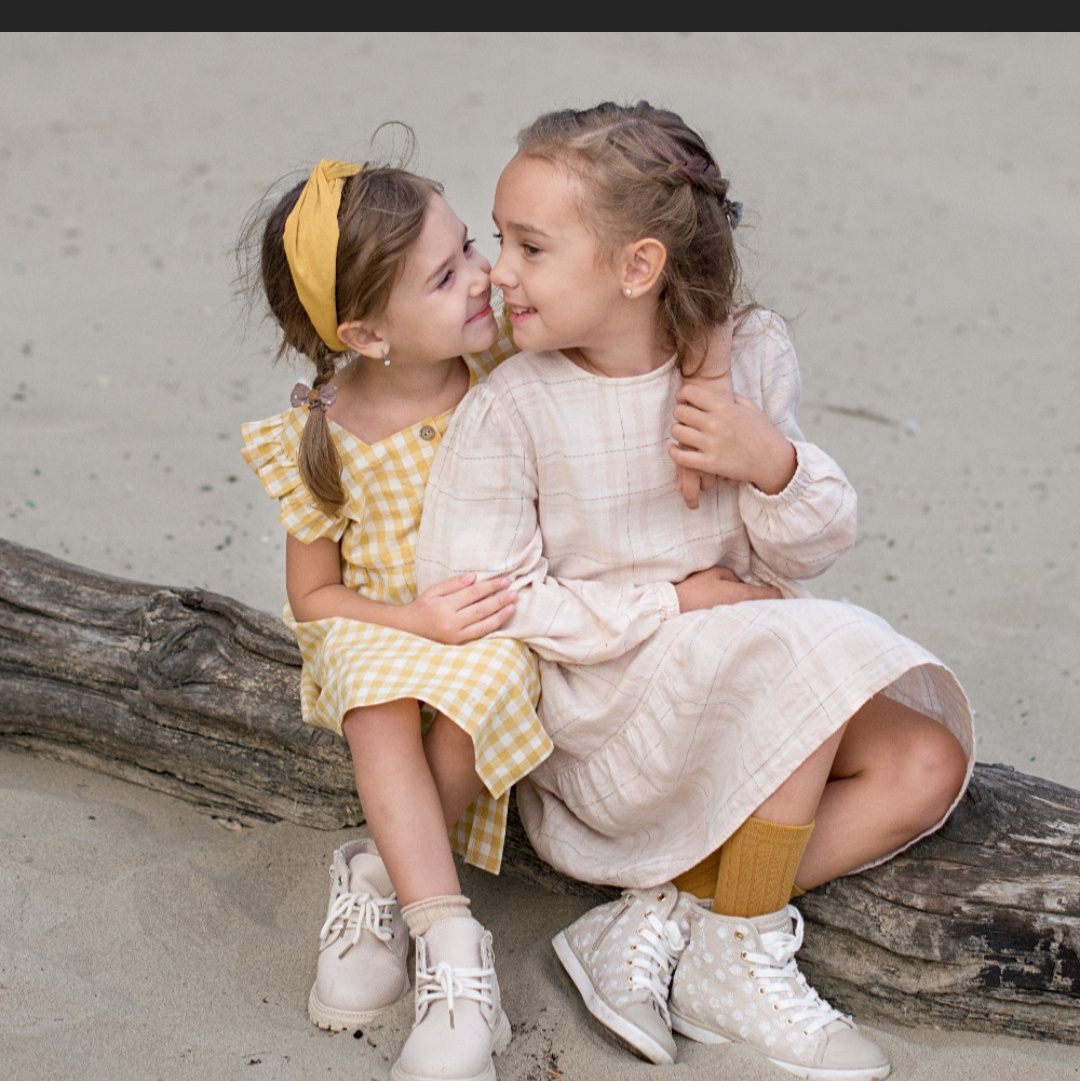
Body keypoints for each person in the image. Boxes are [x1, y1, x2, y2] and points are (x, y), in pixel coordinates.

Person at [415, 101, 975, 1080]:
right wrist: (670, 604)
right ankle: (745, 940)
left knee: (923, 763)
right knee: (792, 643)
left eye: (530, 246)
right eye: (497, 238)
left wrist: (772, 464)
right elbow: (481, 597)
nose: (498, 270)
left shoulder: (745, 355)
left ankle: (679, 915)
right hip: (609, 708)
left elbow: (803, 554)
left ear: (638, 268)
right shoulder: (514, 406)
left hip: (752, 668)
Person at [238, 155, 553, 1081]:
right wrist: (413, 618)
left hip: (491, 621)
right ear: (366, 333)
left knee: (485, 684)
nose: (483, 276)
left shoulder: (500, 365)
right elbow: (316, 600)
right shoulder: (320, 436)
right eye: (446, 276)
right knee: (378, 696)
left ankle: (376, 872)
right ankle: (453, 953)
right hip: (379, 621)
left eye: (470, 248)